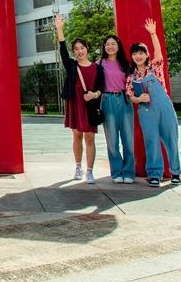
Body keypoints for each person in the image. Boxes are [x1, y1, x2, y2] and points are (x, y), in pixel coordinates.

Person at [126, 18, 181, 187]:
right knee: (151, 141)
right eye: (135, 53)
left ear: (146, 55)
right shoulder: (131, 76)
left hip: (164, 106)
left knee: (171, 139)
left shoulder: (155, 68)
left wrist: (153, 33)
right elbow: (130, 96)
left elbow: (159, 54)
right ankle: (155, 174)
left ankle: (176, 172)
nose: (138, 56)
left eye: (141, 53)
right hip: (145, 110)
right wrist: (139, 99)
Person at [54, 14, 104, 184]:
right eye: (76, 49)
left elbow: (101, 88)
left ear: (87, 49)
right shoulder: (72, 65)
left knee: (90, 138)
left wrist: (94, 94)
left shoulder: (97, 68)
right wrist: (60, 30)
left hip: (89, 106)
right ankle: (78, 167)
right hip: (75, 104)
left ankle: (89, 171)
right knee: (77, 137)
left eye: (82, 48)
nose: (79, 51)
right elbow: (62, 52)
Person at [99, 34, 135, 184]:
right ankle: (116, 172)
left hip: (124, 100)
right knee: (112, 139)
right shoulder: (100, 64)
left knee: (128, 138)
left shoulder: (126, 64)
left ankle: (128, 172)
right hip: (107, 100)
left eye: (113, 44)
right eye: (107, 44)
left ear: (118, 46)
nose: (110, 47)